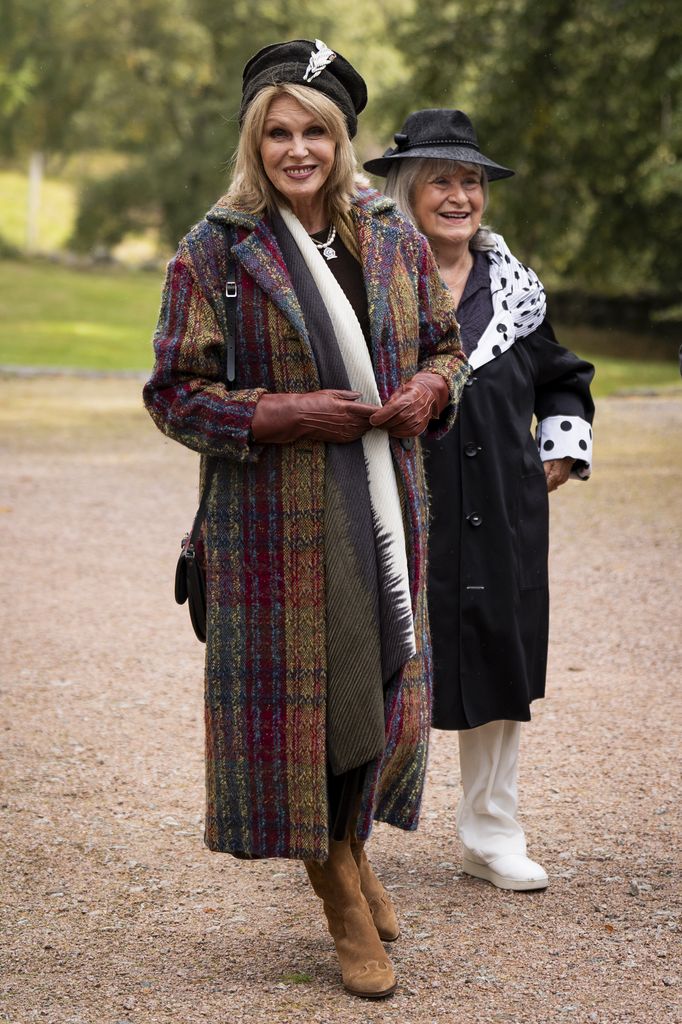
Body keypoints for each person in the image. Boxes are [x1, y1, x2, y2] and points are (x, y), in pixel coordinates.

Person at [143, 47, 468, 998]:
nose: (298, 149)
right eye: (278, 132)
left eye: (315, 130)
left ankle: (350, 846)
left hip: (383, 502)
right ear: (256, 138)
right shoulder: (217, 248)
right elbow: (172, 393)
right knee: (308, 714)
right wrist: (277, 414)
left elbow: (448, 352)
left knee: (383, 682)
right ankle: (335, 889)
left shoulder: (391, 237)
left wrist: (423, 392)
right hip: (274, 525)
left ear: (342, 138)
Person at [365, 109, 595, 892]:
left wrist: (560, 446)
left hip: (501, 506)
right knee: (373, 661)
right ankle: (341, 837)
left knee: (497, 659)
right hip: (398, 502)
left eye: (471, 182)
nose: (460, 196)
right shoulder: (373, 278)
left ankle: (490, 835)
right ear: (407, 191)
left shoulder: (516, 289)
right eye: (442, 181)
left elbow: (562, 375)